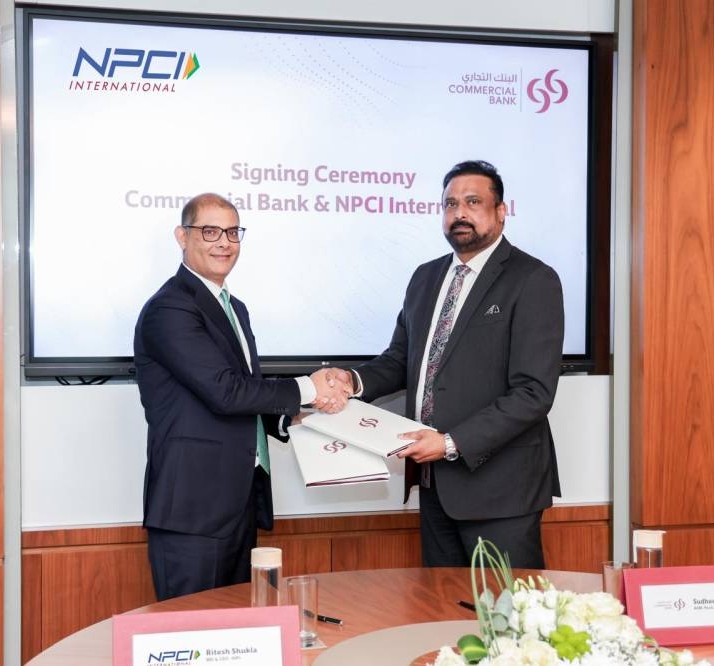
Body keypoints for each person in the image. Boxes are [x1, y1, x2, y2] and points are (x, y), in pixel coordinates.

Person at [333, 160, 564, 568]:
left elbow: (533, 393)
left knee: (506, 606)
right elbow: (400, 361)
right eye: (450, 204)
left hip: (502, 492)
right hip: (435, 486)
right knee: (441, 604)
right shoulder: (425, 278)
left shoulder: (533, 279)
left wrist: (450, 442)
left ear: (500, 211)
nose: (459, 213)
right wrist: (350, 381)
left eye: (473, 202)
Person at [134, 192, 348, 600]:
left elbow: (243, 395)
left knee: (237, 626)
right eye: (210, 231)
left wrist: (291, 416)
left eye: (233, 232)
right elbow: (225, 391)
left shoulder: (235, 308)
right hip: (193, 511)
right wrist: (310, 387)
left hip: (238, 502)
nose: (224, 242)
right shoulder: (170, 308)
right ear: (182, 236)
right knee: (191, 629)